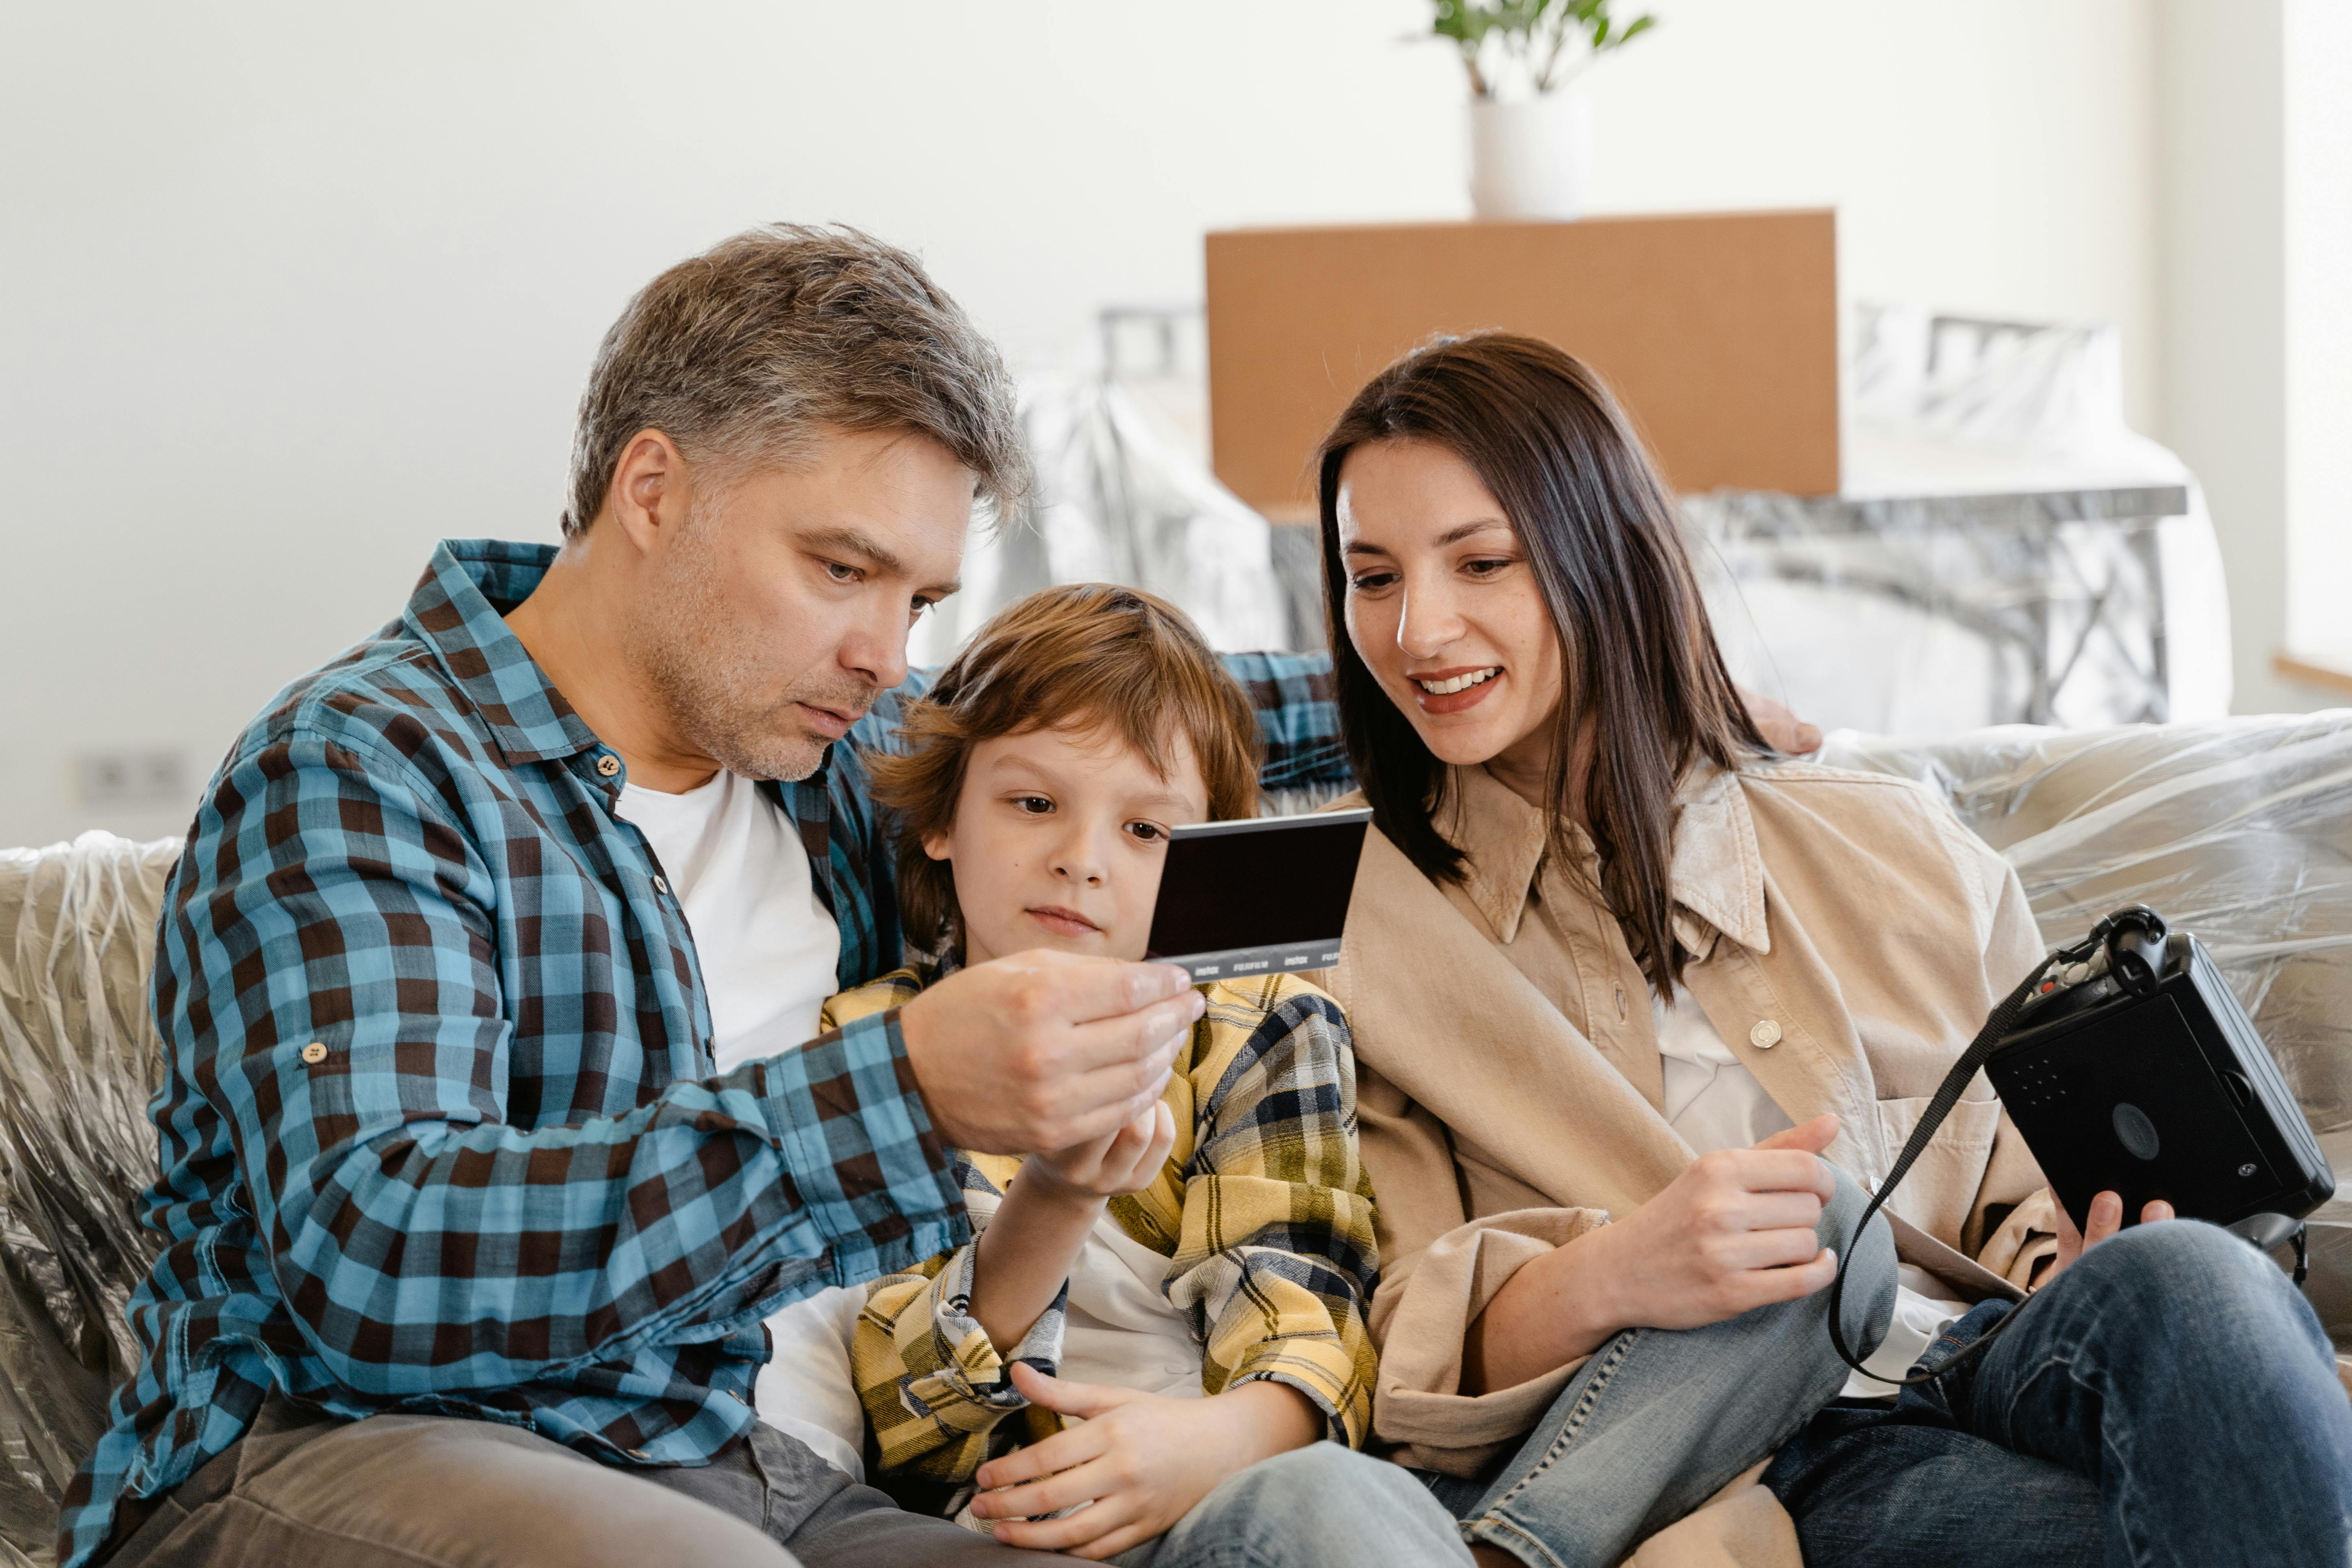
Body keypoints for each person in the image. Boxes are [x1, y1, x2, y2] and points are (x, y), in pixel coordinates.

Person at [57, 226, 1356, 1568]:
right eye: (839, 570)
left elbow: (1155, 723)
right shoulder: (366, 769)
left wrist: (1472, 658)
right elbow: (378, 1259)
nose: (879, 652)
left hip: (762, 1474)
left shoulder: (839, 761)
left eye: (916, 600)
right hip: (352, 1445)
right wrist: (896, 1092)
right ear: (654, 488)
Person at [1306, 331, 2352, 1567]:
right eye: (1370, 578)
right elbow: (1395, 1344)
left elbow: (2022, 1195)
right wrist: (1616, 1268)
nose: (1418, 629)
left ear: (1607, 559)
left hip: (1989, 1357)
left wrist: (2075, 1245)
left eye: (1481, 561)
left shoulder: (1881, 838)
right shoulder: (1348, 917)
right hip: (1756, 1459)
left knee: (2200, 1282)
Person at [822, 582, 1470, 1565]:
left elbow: (1308, 1318)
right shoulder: (868, 1043)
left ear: (1205, 859)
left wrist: (1209, 1447)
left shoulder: (1257, 1026)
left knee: (1332, 1498)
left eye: (1145, 831)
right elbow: (900, 1418)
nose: (1081, 860)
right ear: (941, 818)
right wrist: (1057, 1194)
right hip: (997, 1523)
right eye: (1033, 803)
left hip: (1232, 1488)